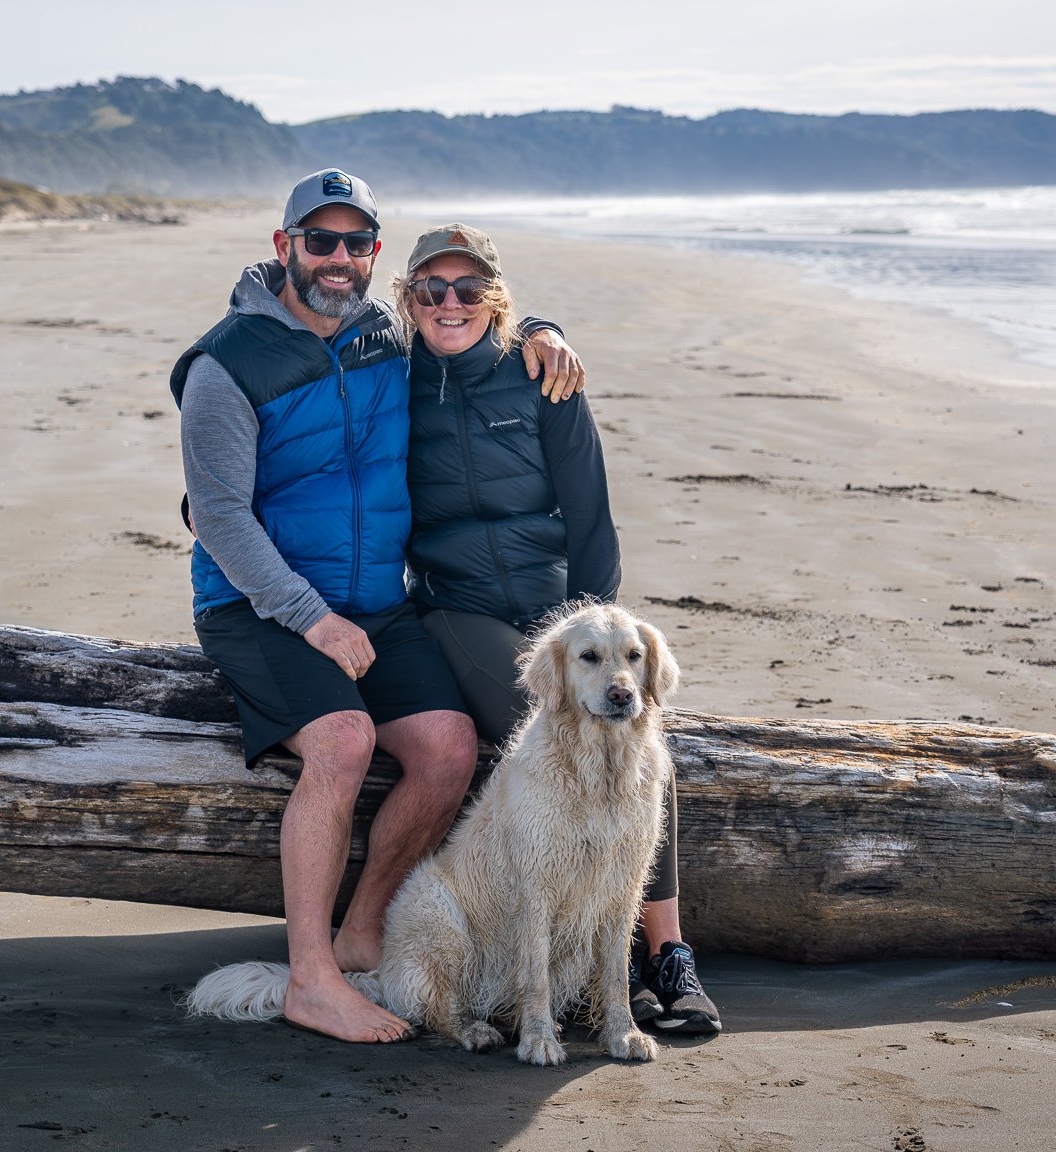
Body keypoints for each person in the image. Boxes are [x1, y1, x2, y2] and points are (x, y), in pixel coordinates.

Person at [170, 170, 582, 1044]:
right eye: (321, 241)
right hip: (260, 607)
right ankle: (312, 978)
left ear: (374, 257)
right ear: (284, 248)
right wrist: (309, 616)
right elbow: (217, 517)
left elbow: (466, 314)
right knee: (345, 743)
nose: (339, 258)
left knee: (448, 748)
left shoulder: (385, 337)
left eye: (357, 243)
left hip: (374, 608)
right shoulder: (225, 365)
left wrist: (543, 328)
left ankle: (365, 931)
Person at [396, 223, 723, 1036]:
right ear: (407, 300)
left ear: (495, 301)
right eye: (431, 290)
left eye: (469, 291)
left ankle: (664, 954)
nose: (449, 305)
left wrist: (591, 633)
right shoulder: (387, 381)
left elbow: (591, 516)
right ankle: (572, 950)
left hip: (554, 602)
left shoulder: (541, 375)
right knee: (543, 734)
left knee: (636, 738)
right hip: (457, 606)